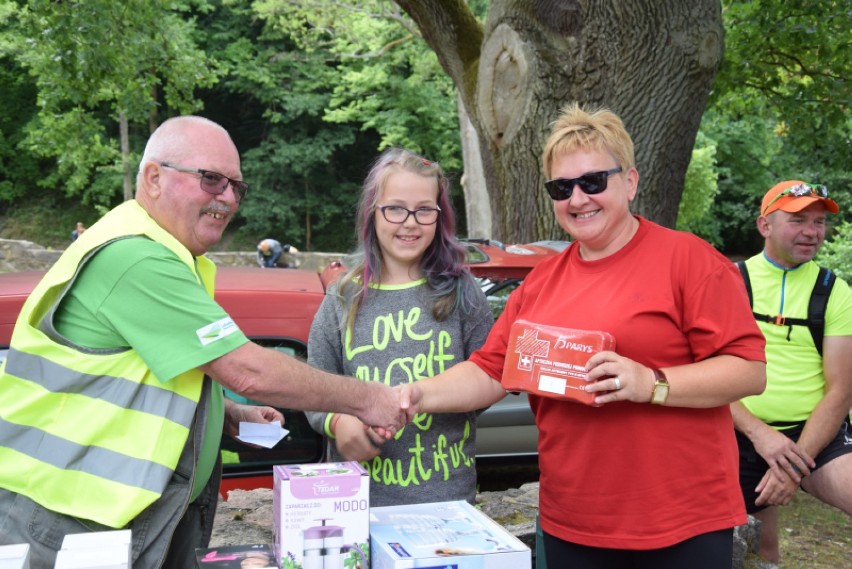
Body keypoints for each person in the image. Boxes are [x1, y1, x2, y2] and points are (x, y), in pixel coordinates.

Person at [0, 116, 404, 569]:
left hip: (106, 514)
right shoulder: (137, 258)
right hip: (74, 520)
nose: (228, 197)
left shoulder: (158, 251)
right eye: (211, 179)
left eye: (236, 186)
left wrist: (226, 415)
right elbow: (245, 369)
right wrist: (367, 398)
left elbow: (137, 374)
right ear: (153, 177)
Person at [398, 103, 767, 569]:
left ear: (629, 182)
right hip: (572, 523)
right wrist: (413, 395)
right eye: (561, 187)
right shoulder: (541, 282)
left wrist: (651, 382)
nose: (578, 199)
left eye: (593, 182)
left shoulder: (689, 260)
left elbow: (748, 370)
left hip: (679, 524)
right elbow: (491, 371)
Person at [305, 148, 494, 506]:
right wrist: (338, 423)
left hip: (448, 503)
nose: (410, 222)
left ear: (440, 217)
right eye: (395, 208)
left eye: (424, 210)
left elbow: (489, 377)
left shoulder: (463, 293)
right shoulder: (341, 298)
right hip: (357, 504)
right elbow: (313, 388)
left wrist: (434, 398)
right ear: (372, 213)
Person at [731, 180, 852, 568]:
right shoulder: (729, 282)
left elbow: (841, 390)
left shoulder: (835, 291)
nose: (812, 232)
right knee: (759, 550)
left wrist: (793, 464)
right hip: (738, 432)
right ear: (764, 225)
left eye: (818, 222)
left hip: (813, 434)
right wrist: (760, 436)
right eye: (798, 219)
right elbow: (705, 374)